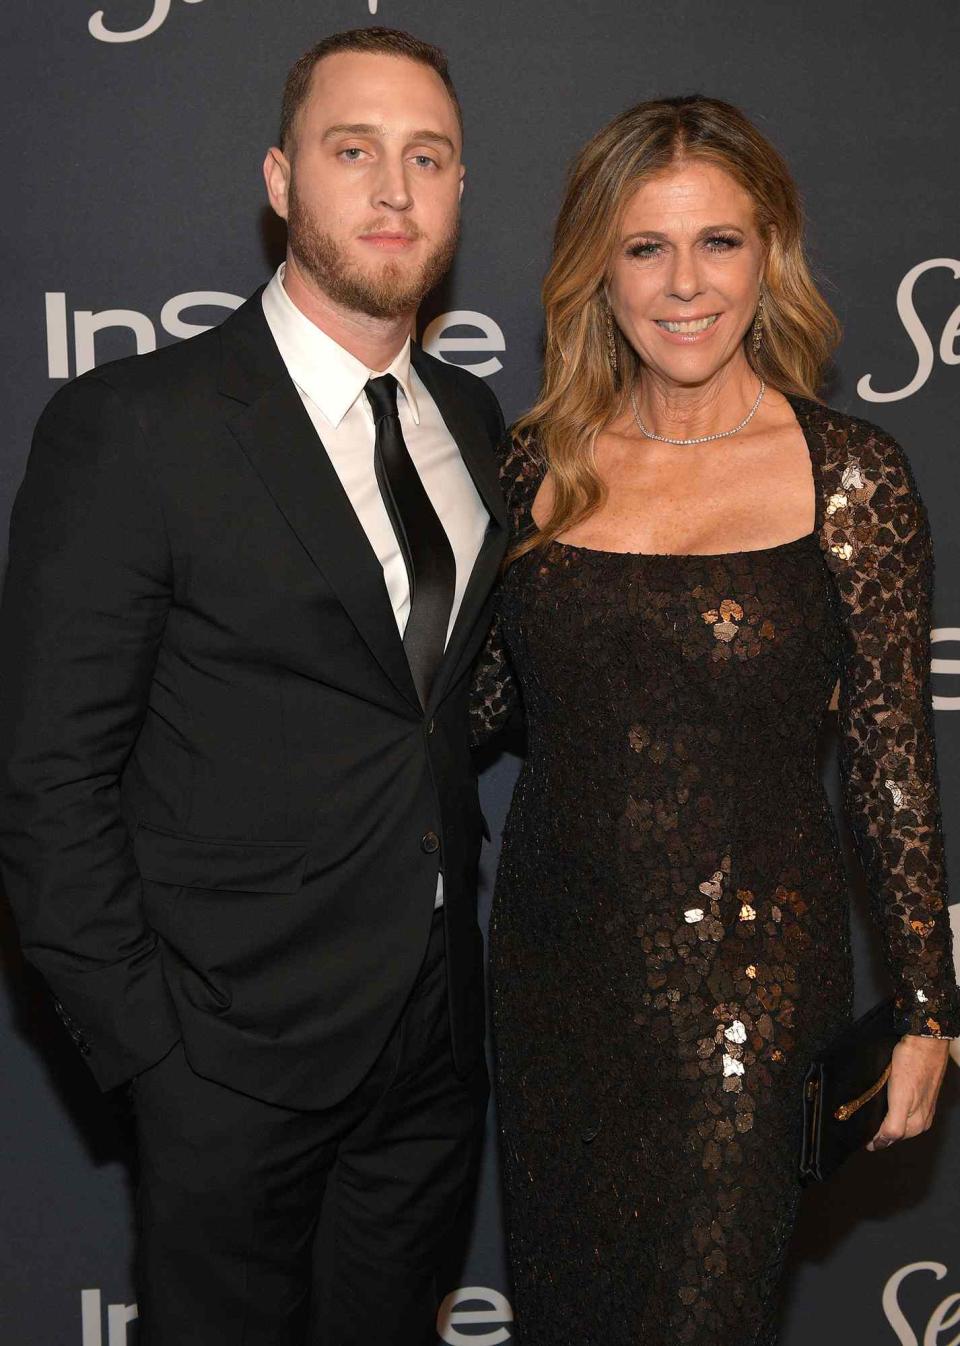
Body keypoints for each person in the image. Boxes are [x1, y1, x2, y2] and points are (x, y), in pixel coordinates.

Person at [0, 27, 507, 1346]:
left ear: (460, 191)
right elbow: (49, 775)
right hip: (226, 1055)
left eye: (427, 157)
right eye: (355, 150)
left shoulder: (478, 422)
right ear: (283, 179)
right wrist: (157, 1057)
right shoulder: (137, 425)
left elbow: (436, 709)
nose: (394, 188)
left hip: (434, 1048)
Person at [470, 95, 959, 1346]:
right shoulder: (539, 464)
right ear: (599, 269)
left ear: (770, 254)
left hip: (747, 984)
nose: (685, 284)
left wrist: (926, 1006)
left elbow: (894, 762)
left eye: (720, 243)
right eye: (647, 247)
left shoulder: (851, 475)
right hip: (552, 975)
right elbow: (471, 710)